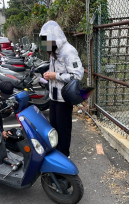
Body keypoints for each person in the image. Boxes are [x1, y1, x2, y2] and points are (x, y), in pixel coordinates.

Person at [39, 20, 84, 157]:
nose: (46, 46)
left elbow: (77, 75)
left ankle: (65, 157)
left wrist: (56, 75)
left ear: (54, 38)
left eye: (47, 41)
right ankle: (57, 155)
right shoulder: (54, 52)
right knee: (54, 128)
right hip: (53, 97)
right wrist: (49, 75)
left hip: (64, 99)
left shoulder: (68, 51)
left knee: (64, 130)